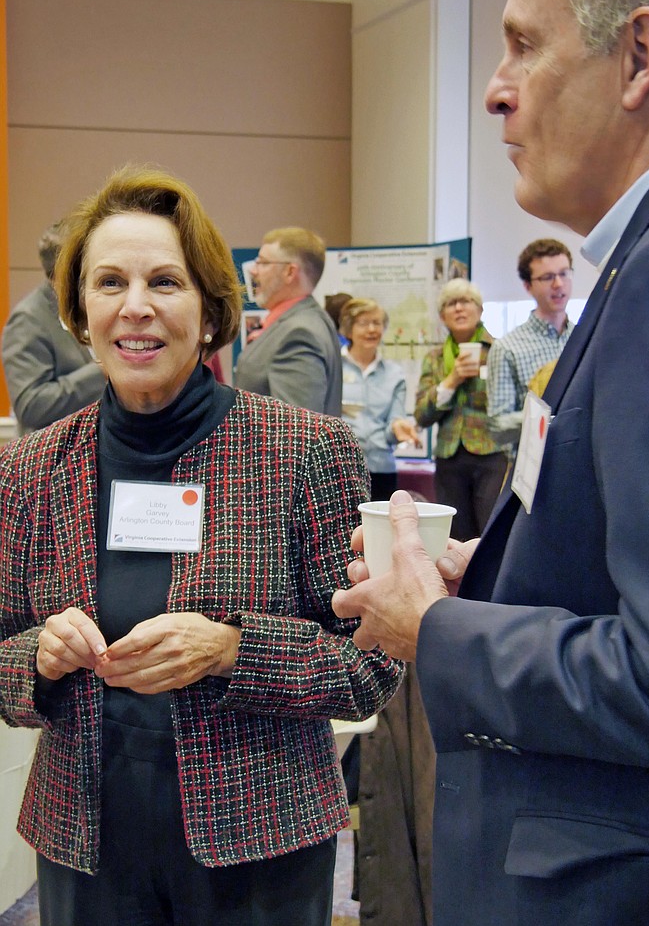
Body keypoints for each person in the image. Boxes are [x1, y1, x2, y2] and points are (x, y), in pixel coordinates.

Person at [333, 0, 649, 922]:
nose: (494, 91)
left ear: (639, 54)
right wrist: (486, 572)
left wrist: (437, 628)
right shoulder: (628, 273)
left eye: (523, 46)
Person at [0, 165, 403, 926]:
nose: (136, 307)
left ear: (213, 310)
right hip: (84, 847)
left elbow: (372, 663)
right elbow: (0, 654)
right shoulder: (30, 469)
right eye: (110, 282)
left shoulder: (303, 451)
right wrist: (39, 656)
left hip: (260, 848)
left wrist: (230, 649)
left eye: (166, 282)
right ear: (81, 312)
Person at [413, 278, 508, 541]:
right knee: (454, 537)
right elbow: (422, 414)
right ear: (443, 316)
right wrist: (451, 381)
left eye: (466, 301)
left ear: (479, 310)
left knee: (491, 534)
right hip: (449, 458)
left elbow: (510, 405)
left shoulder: (500, 350)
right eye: (451, 303)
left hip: (492, 454)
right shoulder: (435, 358)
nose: (459, 308)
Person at [1, 223, 106, 434]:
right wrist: (102, 369)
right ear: (63, 268)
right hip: (52, 458)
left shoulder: (92, 304)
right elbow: (30, 406)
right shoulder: (28, 319)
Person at [234, 227, 342, 414]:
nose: (253, 271)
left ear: (290, 272)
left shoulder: (299, 333)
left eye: (262, 263)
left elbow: (297, 434)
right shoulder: (309, 320)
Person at [486, 238, 574, 446]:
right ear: (528, 286)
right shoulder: (507, 348)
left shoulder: (585, 338)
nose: (559, 284)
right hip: (534, 470)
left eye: (564, 273)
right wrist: (549, 415)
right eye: (547, 277)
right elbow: (497, 427)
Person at [340, 297, 419, 500]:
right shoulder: (333, 368)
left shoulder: (395, 375)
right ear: (349, 329)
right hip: (341, 468)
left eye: (377, 323)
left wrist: (398, 427)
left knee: (380, 531)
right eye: (364, 323)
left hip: (381, 468)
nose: (372, 329)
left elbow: (395, 420)